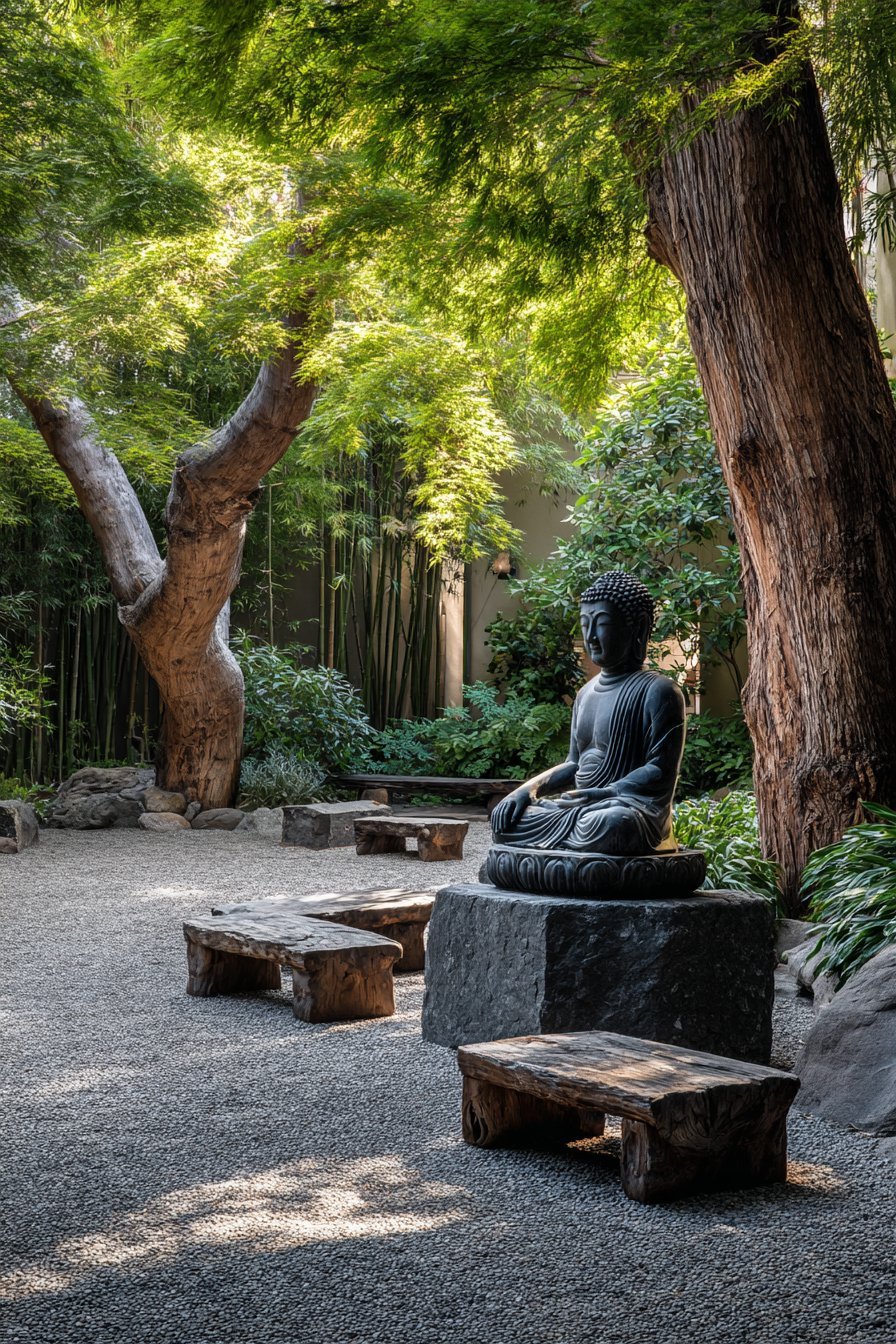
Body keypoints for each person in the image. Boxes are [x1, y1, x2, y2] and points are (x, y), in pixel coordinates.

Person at [490, 571, 686, 855]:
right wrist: (527, 790)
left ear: (639, 628)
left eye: (602, 624)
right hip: (581, 807)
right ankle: (573, 856)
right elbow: (573, 764)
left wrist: (607, 793)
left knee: (616, 825)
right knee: (507, 823)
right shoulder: (585, 694)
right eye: (585, 624)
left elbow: (661, 769)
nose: (591, 637)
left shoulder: (660, 691)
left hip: (627, 808)